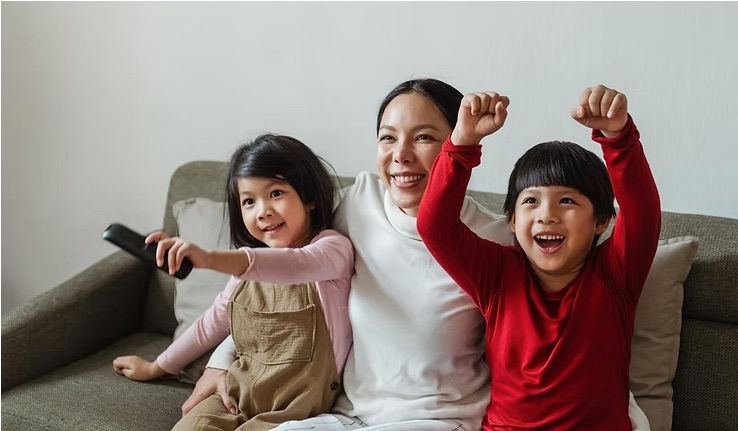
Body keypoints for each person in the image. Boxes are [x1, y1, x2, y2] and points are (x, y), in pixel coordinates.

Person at [189, 79, 651, 431]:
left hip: (441, 420)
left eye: (426, 138)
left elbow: (637, 224)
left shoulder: (506, 253)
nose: (401, 155)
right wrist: (220, 357)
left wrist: (618, 138)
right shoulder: (358, 205)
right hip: (354, 415)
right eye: (388, 138)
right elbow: (285, 278)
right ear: (516, 218)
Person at [416, 86, 661, 430]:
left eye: (567, 202)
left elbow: (643, 214)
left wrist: (618, 138)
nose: (547, 215)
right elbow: (434, 227)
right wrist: (462, 143)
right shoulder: (497, 276)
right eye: (531, 201)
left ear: (601, 221)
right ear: (514, 221)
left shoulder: (615, 275)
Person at [112, 134, 354, 431]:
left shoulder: (332, 250)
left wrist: (210, 258)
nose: (262, 210)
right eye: (249, 201)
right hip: (234, 393)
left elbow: (297, 264)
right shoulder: (243, 274)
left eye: (276, 193)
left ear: (310, 198)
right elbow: (210, 325)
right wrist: (157, 366)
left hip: (295, 411)